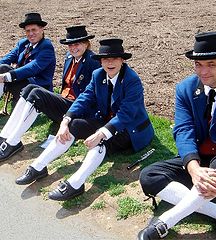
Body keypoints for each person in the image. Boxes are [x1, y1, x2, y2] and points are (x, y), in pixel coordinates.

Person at [15, 38, 155, 202]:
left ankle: (76, 183)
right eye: (105, 59)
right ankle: (38, 166)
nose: (110, 63)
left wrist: (101, 133)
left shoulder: (132, 80)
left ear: (122, 60)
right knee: (73, 125)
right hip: (105, 121)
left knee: (100, 141)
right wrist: (65, 121)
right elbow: (84, 98)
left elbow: (127, 114)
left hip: (130, 130)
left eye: (115, 58)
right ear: (100, 61)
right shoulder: (98, 75)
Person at [138, 31, 216, 240]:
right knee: (148, 176)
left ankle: (165, 222)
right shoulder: (185, 89)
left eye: (211, 64)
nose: (203, 72)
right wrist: (193, 168)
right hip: (201, 158)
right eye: (198, 65)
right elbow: (183, 130)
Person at [0, 25, 100, 161]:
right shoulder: (69, 57)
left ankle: (13, 143)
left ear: (86, 43)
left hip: (77, 110)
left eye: (77, 44)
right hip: (65, 102)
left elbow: (91, 95)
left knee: (35, 93)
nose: (73, 48)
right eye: (70, 45)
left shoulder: (93, 62)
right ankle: (5, 137)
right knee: (30, 89)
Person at [0, 12, 56, 106]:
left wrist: (7, 76)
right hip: (21, 82)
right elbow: (8, 58)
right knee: (2, 67)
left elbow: (32, 68)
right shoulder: (23, 43)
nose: (31, 34)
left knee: (4, 69)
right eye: (27, 31)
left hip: (38, 89)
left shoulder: (47, 47)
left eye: (34, 30)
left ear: (42, 29)